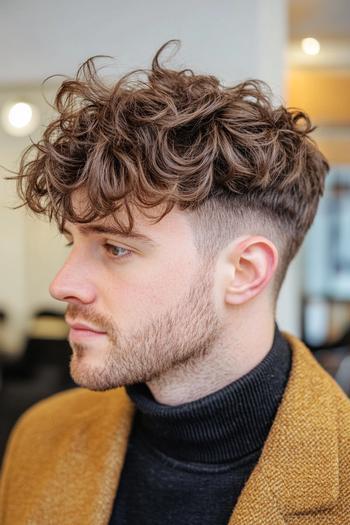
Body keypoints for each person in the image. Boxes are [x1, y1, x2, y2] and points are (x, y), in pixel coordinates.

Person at [0, 40, 349, 525]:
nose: (62, 285)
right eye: (72, 243)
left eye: (116, 247)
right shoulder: (39, 437)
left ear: (244, 272)